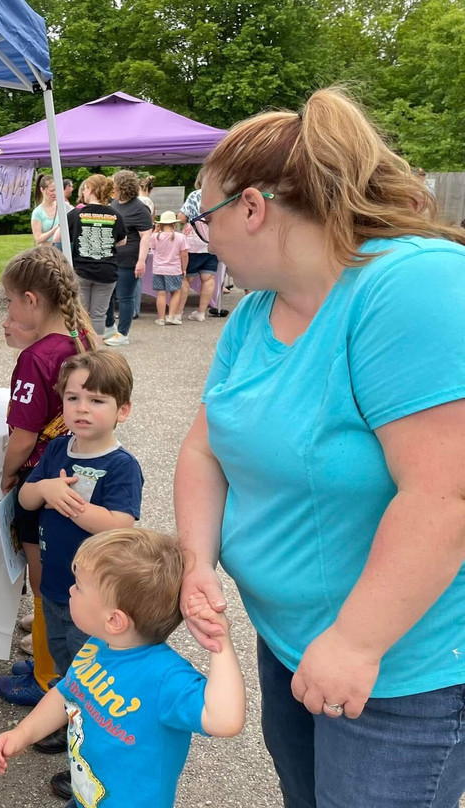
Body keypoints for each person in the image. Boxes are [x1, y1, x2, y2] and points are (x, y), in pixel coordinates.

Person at [175, 87, 465, 808]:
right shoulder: (256, 313)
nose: (200, 237)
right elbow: (204, 450)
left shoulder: (409, 285)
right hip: (296, 642)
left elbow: (445, 491)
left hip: (401, 669)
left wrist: (358, 642)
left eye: (202, 216)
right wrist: (195, 561)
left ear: (251, 208)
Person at [0, 528, 246, 808]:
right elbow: (67, 693)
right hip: (86, 796)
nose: (71, 590)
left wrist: (219, 643)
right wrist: (23, 734)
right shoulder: (98, 644)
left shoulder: (165, 678)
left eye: (79, 586)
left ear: (114, 620)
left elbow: (225, 720)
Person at [13, 348, 146, 800]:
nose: (82, 409)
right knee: (64, 669)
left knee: (91, 678)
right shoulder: (56, 449)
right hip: (55, 588)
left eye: (97, 400)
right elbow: (27, 502)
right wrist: (45, 487)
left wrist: (77, 508)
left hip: (94, 599)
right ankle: (65, 726)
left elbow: (121, 525)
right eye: (73, 399)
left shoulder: (121, 466)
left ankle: (89, 762)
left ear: (122, 410)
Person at [0, 245, 94, 711]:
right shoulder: (80, 339)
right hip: (76, 477)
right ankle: (47, 658)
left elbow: (23, 434)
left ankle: (48, 677)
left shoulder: (35, 359)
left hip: (42, 482)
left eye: (10, 300)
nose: (9, 309)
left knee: (44, 583)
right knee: (60, 577)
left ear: (32, 300)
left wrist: (9, 474)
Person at [67, 174, 127, 336]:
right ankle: (97, 352)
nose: (83, 192)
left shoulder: (75, 214)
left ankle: (82, 348)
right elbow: (122, 241)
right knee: (99, 315)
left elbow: (60, 237)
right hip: (107, 271)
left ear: (90, 189)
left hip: (82, 270)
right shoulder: (116, 215)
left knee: (82, 314)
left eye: (85, 188)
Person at [102, 170, 153, 346]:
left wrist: (141, 261)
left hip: (129, 260)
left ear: (122, 187)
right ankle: (109, 327)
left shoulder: (140, 208)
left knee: (125, 297)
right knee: (108, 294)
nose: (111, 189)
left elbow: (146, 236)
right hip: (112, 258)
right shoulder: (114, 204)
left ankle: (123, 333)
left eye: (114, 185)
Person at [178, 172, 224, 320]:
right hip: (213, 241)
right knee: (208, 277)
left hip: (194, 243)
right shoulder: (221, 195)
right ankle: (201, 313)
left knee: (186, 278)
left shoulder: (195, 195)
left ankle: (177, 313)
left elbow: (182, 217)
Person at [149, 211, 188, 325]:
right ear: (174, 224)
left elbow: (150, 248)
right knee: (176, 292)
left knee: (161, 293)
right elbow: (184, 254)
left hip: (158, 269)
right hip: (174, 269)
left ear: (160, 224)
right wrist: (184, 268)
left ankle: (161, 318)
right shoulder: (181, 237)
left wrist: (155, 231)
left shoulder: (155, 236)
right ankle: (171, 316)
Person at [30, 174, 64, 249]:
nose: (55, 193)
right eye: (51, 190)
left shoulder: (63, 207)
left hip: (62, 251)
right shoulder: (37, 212)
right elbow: (38, 239)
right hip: (47, 252)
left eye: (56, 190)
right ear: (42, 190)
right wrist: (56, 228)